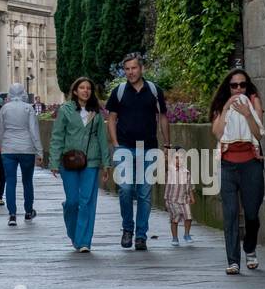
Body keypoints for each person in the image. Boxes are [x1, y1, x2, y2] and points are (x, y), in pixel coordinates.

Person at [106, 53, 168, 252]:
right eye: (127, 69)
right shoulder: (120, 91)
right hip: (124, 147)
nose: (130, 72)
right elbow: (112, 119)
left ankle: (141, 235)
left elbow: (163, 118)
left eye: (133, 68)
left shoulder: (154, 91)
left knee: (144, 193)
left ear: (141, 69)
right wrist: (115, 144)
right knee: (125, 189)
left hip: (148, 148)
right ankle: (127, 228)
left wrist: (167, 145)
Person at [211, 69, 265, 275]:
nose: (238, 89)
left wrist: (247, 114)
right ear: (228, 87)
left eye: (242, 85)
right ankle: (233, 260)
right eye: (234, 86)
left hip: (250, 163)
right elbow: (217, 133)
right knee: (231, 214)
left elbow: (259, 133)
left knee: (251, 213)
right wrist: (225, 108)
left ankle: (250, 248)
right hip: (228, 164)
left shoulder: (253, 101)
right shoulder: (222, 103)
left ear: (247, 86)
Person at [49, 77, 111, 252]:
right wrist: (54, 161)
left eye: (89, 88)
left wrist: (106, 163)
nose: (86, 91)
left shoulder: (96, 112)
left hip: (91, 161)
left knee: (87, 201)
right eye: (82, 88)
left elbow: (102, 139)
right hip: (69, 161)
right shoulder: (66, 110)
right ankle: (73, 231)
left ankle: (84, 241)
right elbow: (57, 136)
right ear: (75, 91)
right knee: (72, 202)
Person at [0, 83, 44, 226]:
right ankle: (28, 211)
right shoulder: (28, 108)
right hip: (27, 149)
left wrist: (2, 147)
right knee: (27, 181)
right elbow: (33, 130)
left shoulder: (4, 108)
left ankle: (12, 214)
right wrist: (39, 151)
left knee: (10, 181)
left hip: (9, 149)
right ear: (23, 92)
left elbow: (0, 130)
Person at [165, 145, 195, 246]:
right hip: (172, 200)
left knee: (189, 217)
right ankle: (175, 237)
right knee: (175, 218)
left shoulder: (187, 172)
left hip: (184, 199)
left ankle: (187, 234)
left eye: (181, 158)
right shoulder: (169, 170)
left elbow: (190, 186)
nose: (179, 161)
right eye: (176, 158)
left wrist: (192, 197)